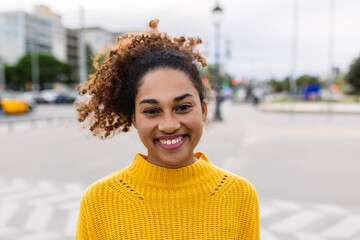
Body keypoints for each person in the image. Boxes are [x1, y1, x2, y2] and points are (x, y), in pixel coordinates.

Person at [75, 19, 259, 240]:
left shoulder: (240, 195)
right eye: (152, 111)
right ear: (134, 118)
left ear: (203, 109)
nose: (169, 125)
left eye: (182, 107)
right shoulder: (98, 201)